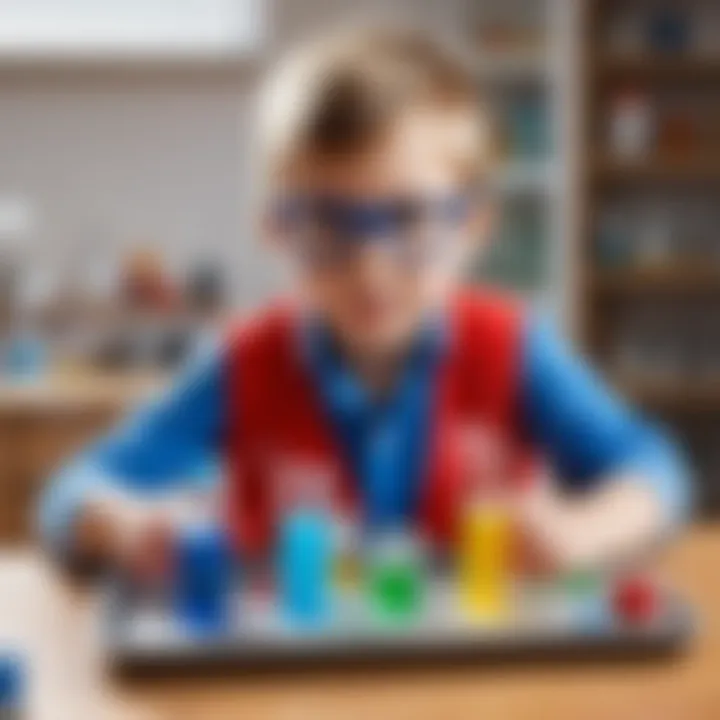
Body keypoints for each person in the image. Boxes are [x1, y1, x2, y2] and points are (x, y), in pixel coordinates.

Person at [38, 27, 690, 579]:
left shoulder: (514, 349)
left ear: (474, 227)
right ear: (275, 229)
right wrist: (126, 527)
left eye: (410, 223)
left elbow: (654, 470)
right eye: (326, 228)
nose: (370, 271)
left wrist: (582, 531)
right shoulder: (242, 363)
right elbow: (69, 494)